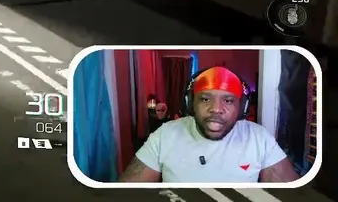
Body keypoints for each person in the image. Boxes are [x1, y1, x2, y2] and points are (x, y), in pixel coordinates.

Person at [117, 67, 300, 184]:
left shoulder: (259, 138)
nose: (216, 109)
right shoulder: (164, 135)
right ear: (190, 104)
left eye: (228, 100)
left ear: (242, 108)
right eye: (205, 99)